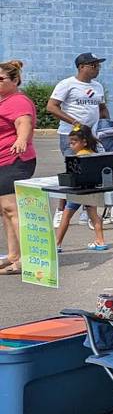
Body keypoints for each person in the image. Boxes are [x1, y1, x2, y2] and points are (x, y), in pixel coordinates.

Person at [0, 60, 37, 275]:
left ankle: (26, 258)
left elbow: (24, 123)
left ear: (15, 80)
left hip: (15, 160)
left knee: (13, 209)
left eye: (1, 79)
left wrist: (21, 140)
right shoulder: (4, 101)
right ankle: (13, 255)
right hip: (4, 160)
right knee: (6, 211)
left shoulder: (18, 101)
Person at [54, 125, 107, 252]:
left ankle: (57, 243)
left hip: (77, 192)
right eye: (70, 143)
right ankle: (100, 241)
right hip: (90, 190)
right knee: (94, 216)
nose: (71, 145)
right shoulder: (93, 153)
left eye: (74, 142)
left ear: (84, 142)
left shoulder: (78, 157)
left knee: (66, 216)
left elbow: (73, 175)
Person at [48, 52, 109, 155]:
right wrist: (75, 123)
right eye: (94, 66)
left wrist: (106, 125)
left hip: (92, 135)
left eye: (99, 66)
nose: (97, 69)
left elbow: (102, 108)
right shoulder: (67, 84)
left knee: (93, 166)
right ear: (81, 67)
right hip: (72, 135)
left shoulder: (98, 86)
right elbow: (51, 107)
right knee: (75, 166)